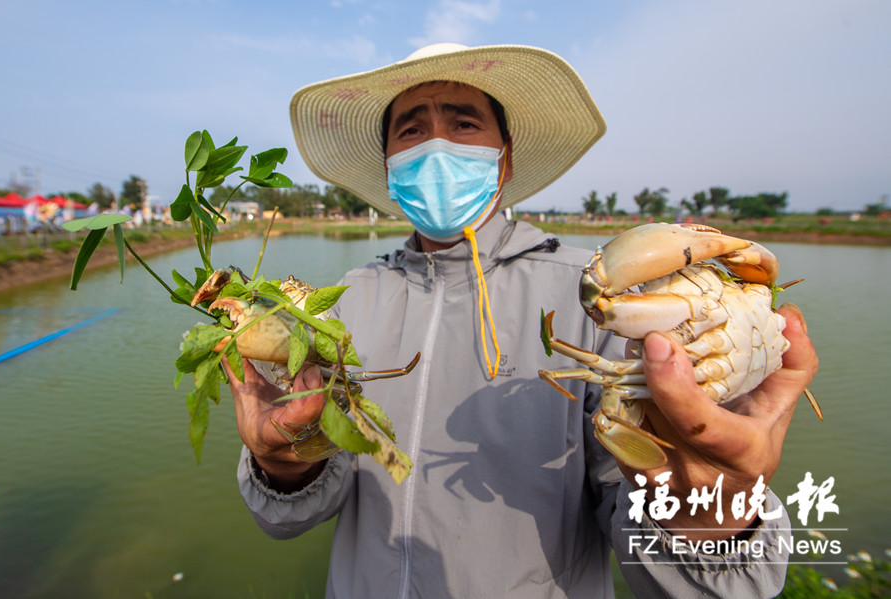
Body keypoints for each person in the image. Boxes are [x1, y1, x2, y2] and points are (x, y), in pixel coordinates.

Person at [227, 43, 818, 598]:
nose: (436, 146)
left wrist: (713, 506)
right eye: (411, 130)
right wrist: (285, 463)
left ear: (504, 160)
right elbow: (295, 515)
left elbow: (646, 529)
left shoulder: (609, 304)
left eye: (463, 124)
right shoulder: (342, 304)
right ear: (389, 166)